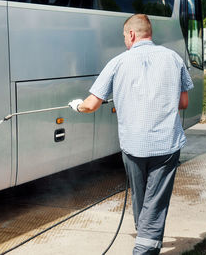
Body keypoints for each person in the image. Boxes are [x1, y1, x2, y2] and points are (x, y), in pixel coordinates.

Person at [68, 14, 194, 255]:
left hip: (133, 146)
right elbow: (184, 102)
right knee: (155, 200)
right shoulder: (173, 58)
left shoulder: (118, 63)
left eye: (125, 35)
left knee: (141, 195)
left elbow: (91, 104)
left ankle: (144, 243)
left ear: (132, 34)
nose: (124, 40)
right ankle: (147, 239)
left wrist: (77, 106)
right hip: (166, 145)